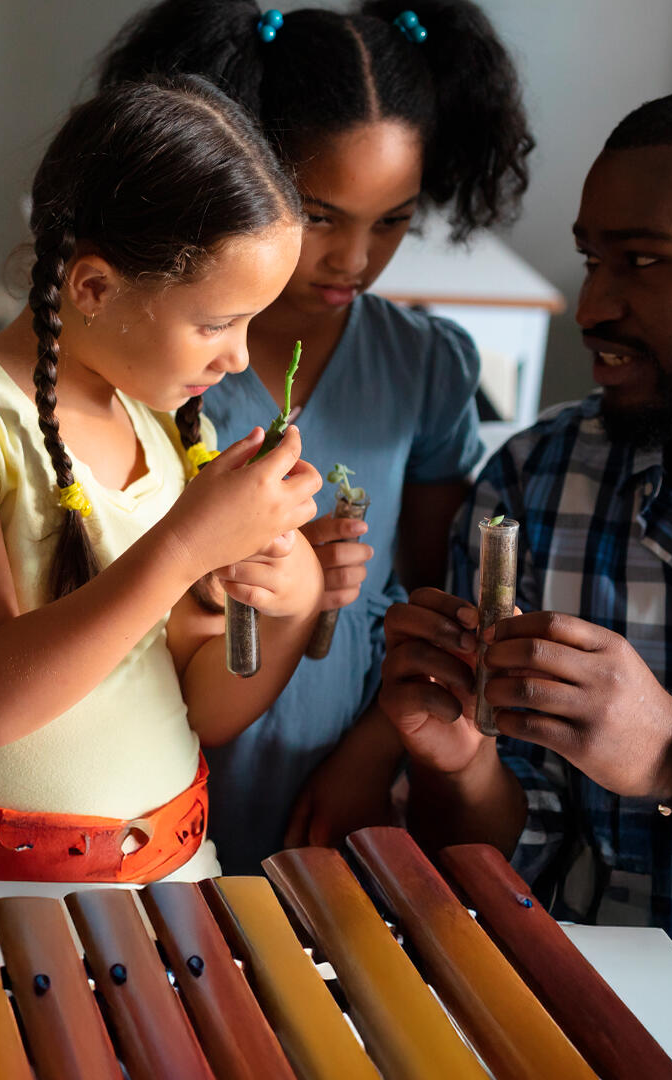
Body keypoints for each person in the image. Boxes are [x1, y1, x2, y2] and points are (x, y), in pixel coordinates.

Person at [97, 0, 535, 869]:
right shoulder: (158, 360)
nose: (355, 261)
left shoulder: (427, 367)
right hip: (160, 747)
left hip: (341, 754)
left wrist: (369, 753)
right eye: (322, 215)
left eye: (393, 221)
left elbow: (431, 595)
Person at [0, 76, 322, 882]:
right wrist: (184, 546)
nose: (240, 357)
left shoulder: (172, 434)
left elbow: (205, 705)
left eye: (251, 322)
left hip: (178, 877)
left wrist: (292, 600)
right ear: (94, 288)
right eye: (214, 324)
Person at [379, 72, 672, 1022]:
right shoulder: (536, 483)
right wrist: (456, 766)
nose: (590, 308)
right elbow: (506, 864)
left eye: (642, 261)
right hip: (588, 1025)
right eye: (592, 259)